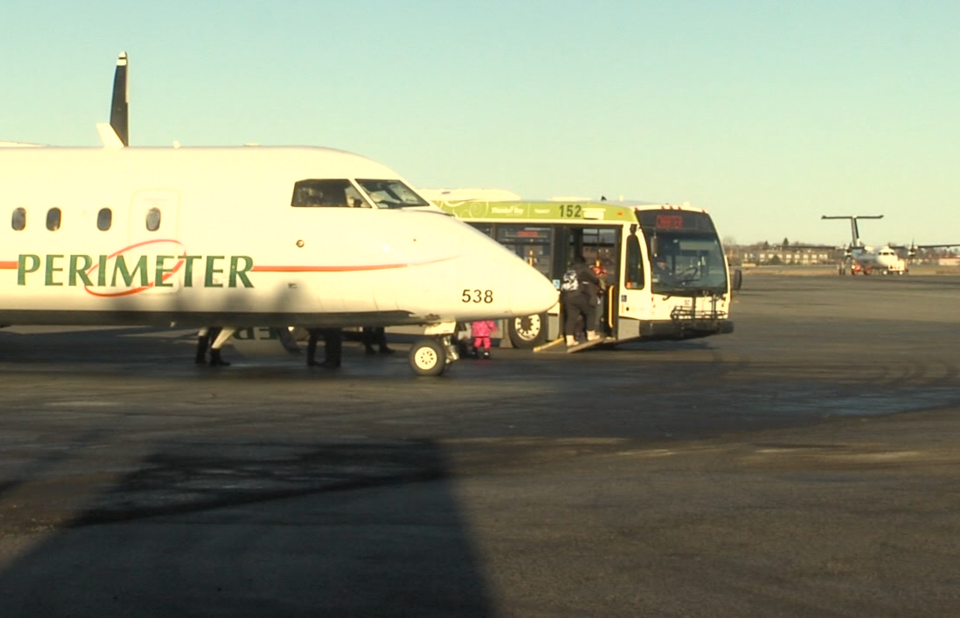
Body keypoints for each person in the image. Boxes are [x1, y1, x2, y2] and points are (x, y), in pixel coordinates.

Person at [560, 254, 601, 347]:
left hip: (567, 297)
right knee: (590, 311)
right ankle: (591, 334)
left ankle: (569, 340)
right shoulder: (583, 269)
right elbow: (594, 279)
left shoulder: (568, 270)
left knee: (571, 317)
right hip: (578, 296)